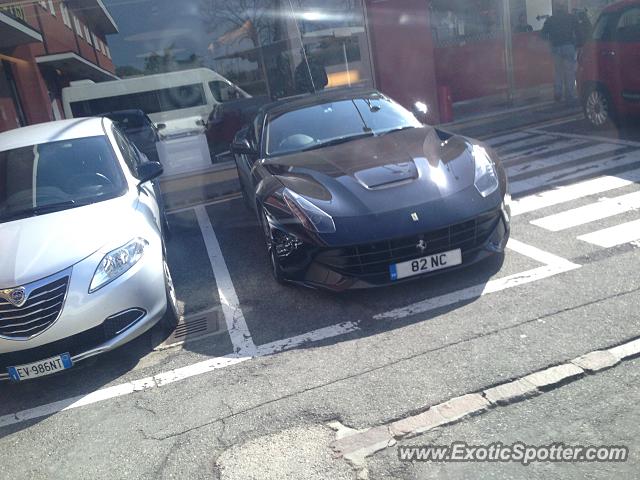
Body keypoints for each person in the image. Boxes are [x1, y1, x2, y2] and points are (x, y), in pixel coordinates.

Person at [541, 2, 579, 103]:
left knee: (558, 72)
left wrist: (550, 41)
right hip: (568, 46)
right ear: (565, 8)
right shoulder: (571, 18)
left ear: (556, 9)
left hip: (556, 48)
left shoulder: (551, 19)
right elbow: (578, 31)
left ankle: (558, 94)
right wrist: (576, 44)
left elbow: (543, 34)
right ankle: (570, 95)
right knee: (569, 72)